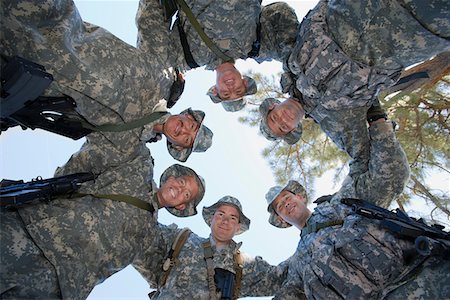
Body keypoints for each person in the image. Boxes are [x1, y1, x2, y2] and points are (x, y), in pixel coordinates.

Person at [262, 114, 450, 298]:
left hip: (430, 276)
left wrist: (378, 121)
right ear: (282, 220)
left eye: (286, 196)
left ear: (301, 197)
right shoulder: (298, 265)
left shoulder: (343, 203)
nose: (285, 202)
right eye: (279, 206)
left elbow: (387, 174)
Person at [1, 0, 213, 162]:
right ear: (186, 115)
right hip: (55, 22)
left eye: (187, 139)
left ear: (175, 147)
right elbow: (152, 18)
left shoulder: (125, 146)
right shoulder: (164, 78)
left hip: (23, 70)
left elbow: (86, 169)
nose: (184, 130)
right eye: (191, 125)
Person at [0, 141, 206, 300]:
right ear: (169, 178)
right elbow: (115, 137)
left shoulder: (151, 236)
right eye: (181, 182)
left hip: (55, 284)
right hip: (28, 235)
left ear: (180, 206)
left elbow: (167, 276)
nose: (180, 190)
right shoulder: (138, 169)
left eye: (186, 195)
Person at [259, 0, 450, 153]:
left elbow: (277, 14)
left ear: (274, 104)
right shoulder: (338, 120)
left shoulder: (288, 59)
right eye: (283, 127)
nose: (282, 119)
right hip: (420, 28)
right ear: (294, 129)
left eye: (274, 117)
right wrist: (380, 126)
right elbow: (368, 162)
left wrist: (243, 54)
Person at [136, 0, 299, 111]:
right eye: (238, 90)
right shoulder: (257, 46)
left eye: (226, 93)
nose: (231, 88)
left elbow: (152, 43)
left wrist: (166, 94)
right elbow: (280, 11)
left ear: (215, 90)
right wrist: (292, 68)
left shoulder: (188, 57)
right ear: (244, 80)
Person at [134, 196, 288, 299]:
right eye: (221, 214)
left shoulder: (246, 265)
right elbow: (141, 229)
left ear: (238, 227)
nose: (225, 221)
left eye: (233, 217)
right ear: (211, 219)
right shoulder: (181, 239)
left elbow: (283, 277)